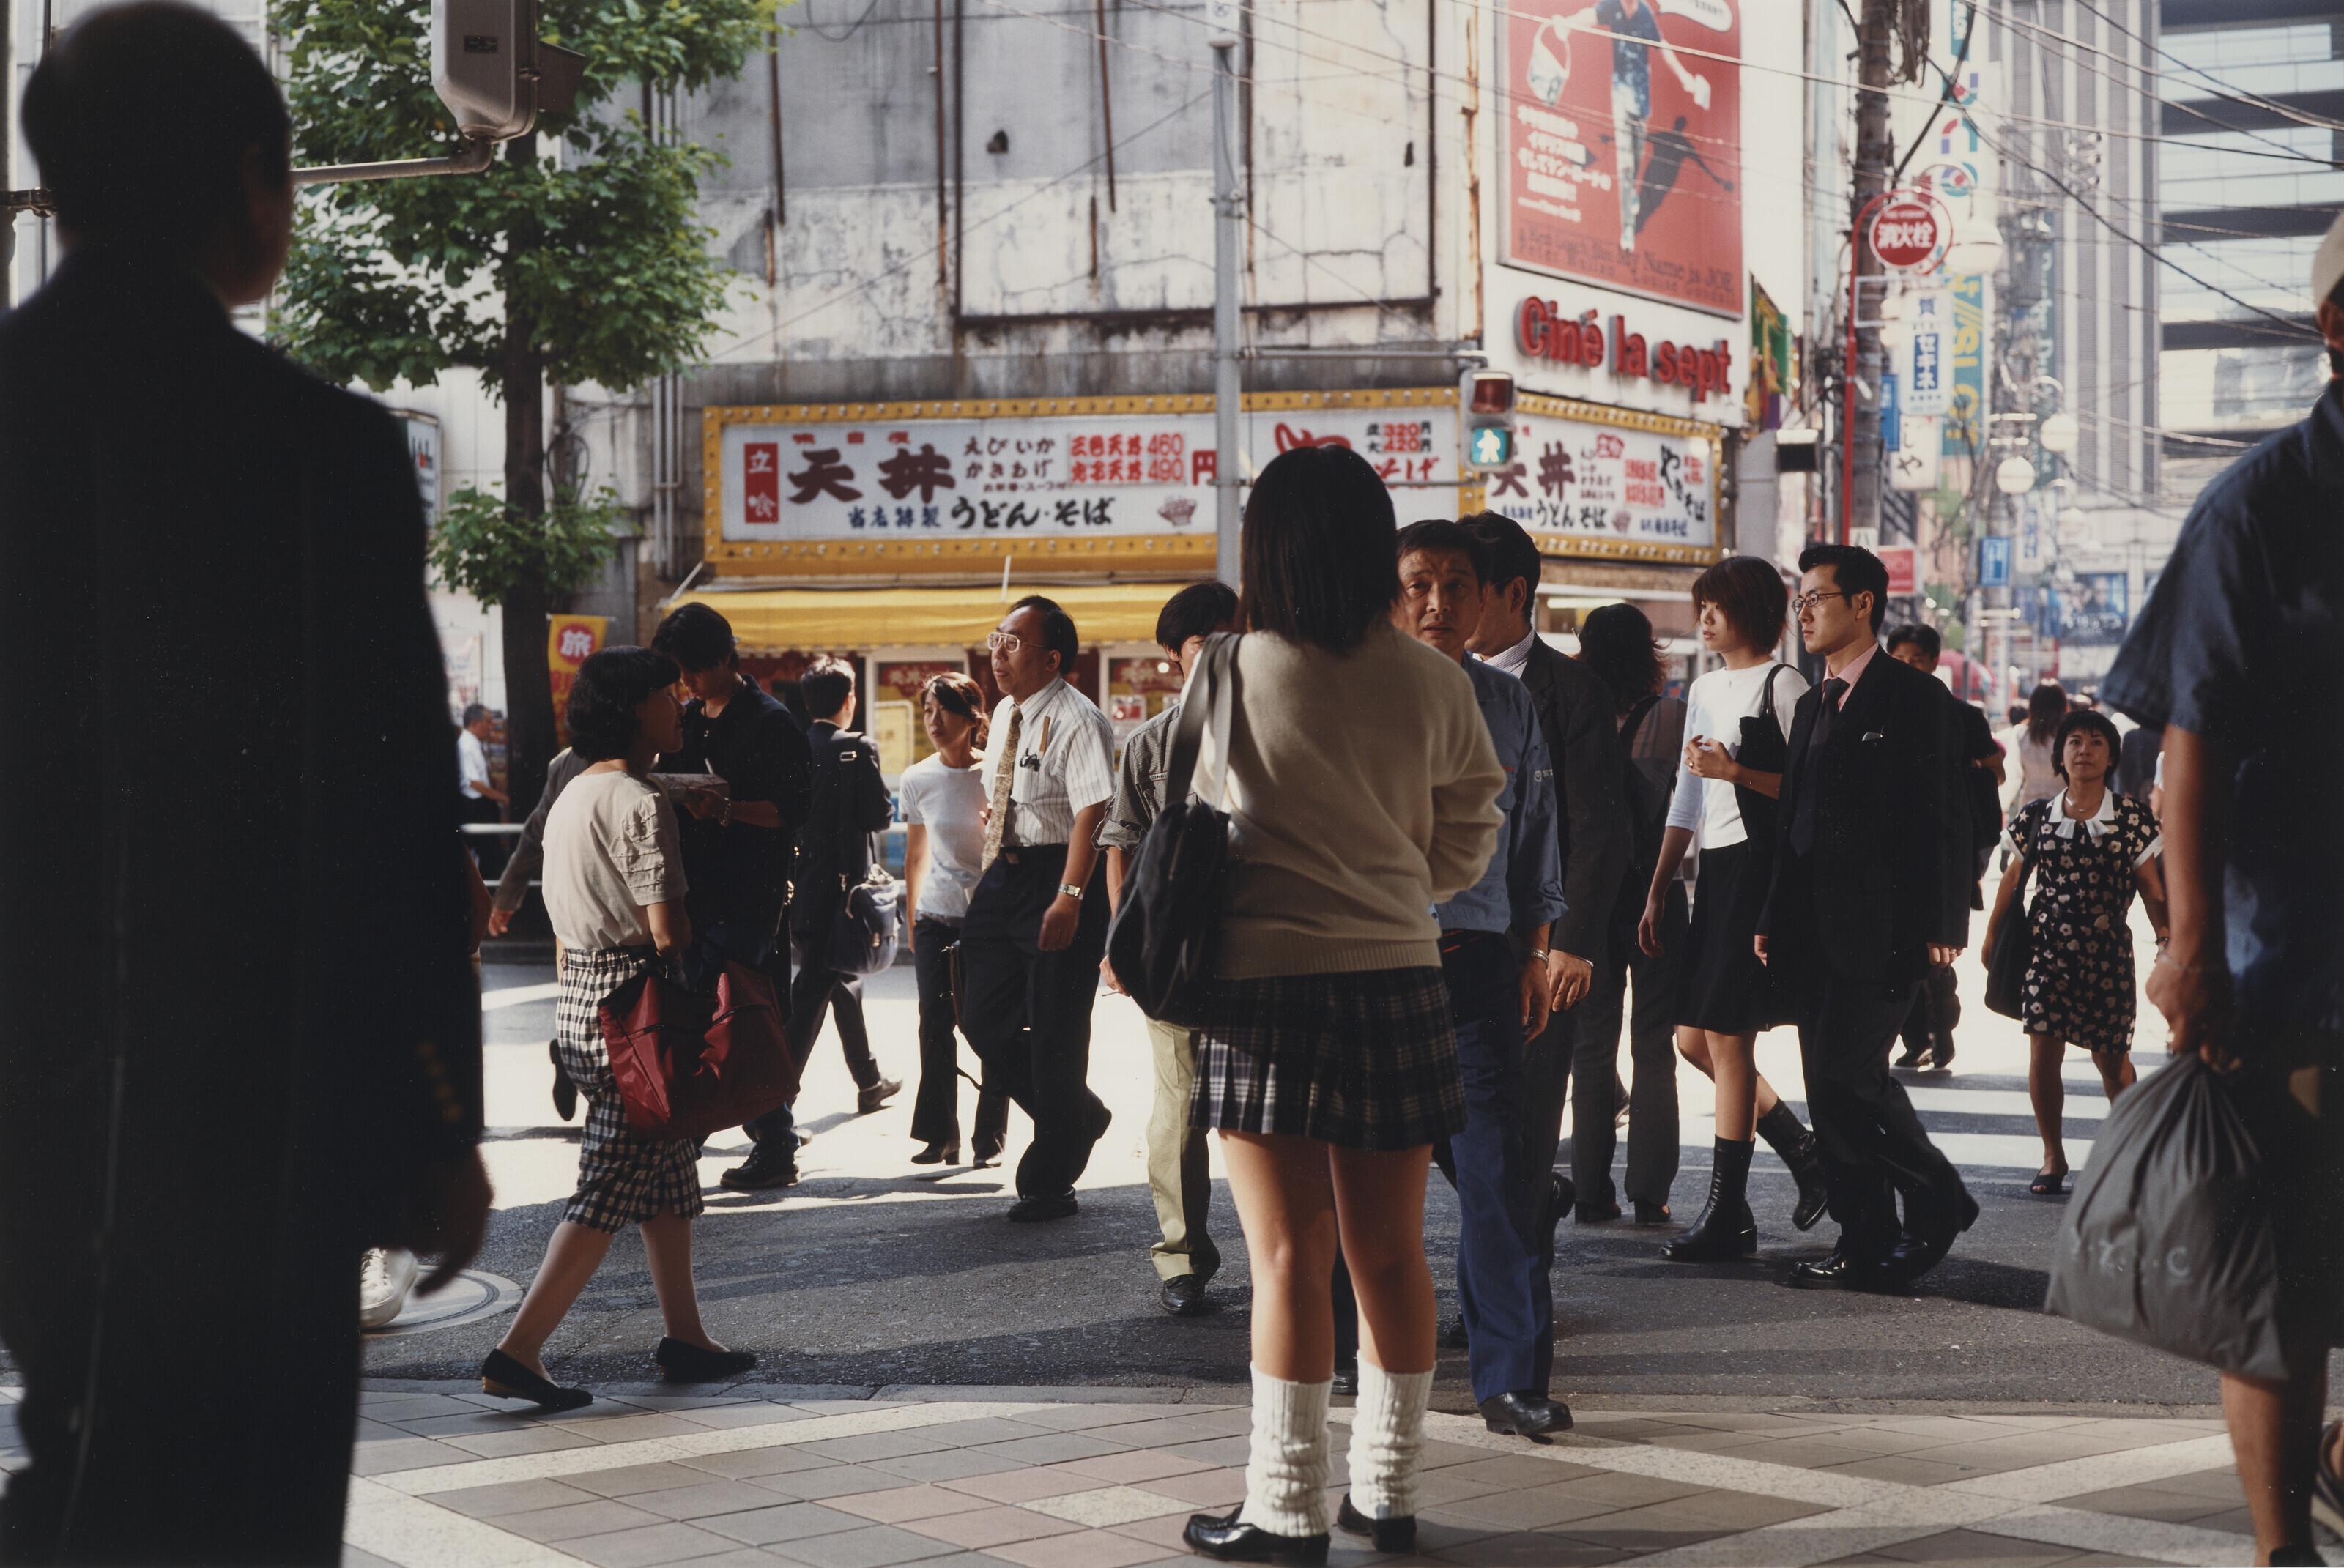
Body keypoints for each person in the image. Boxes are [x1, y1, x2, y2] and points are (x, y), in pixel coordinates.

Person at [0, 9, 488, 1556]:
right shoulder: (319, 453)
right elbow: (396, 816)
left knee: (81, 1445)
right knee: (253, 1493)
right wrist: (434, 1116)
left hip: (27, 1085)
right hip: (264, 1104)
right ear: (247, 180)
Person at [1179, 447, 1502, 1564]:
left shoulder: (1225, 669)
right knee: (1392, 1254)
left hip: (1262, 988)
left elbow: (1191, 815)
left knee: (1286, 1257)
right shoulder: (1433, 677)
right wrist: (1402, 885)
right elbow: (1471, 828)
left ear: (1266, 547)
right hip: (1400, 977)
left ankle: (1284, 1511)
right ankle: (1388, 1495)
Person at [2100, 224, 2343, 1567]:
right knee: (2284, 1284)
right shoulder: (2259, 506)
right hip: (2292, 963)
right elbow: (2187, 744)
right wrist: (2191, 947)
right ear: (2336, 328)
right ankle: (2281, 1551)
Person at [483, 647, 756, 1409]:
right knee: (603, 1192)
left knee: (666, 1181)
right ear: (636, 710)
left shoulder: (575, 789)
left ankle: (686, 1337)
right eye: (670, 696)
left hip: (583, 1001)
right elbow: (666, 929)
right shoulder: (641, 803)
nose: (684, 706)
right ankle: (517, 1350)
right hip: (636, 1013)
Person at [1758, 544, 1976, 1290]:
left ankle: (1936, 1192)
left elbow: (1946, 817)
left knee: (1850, 1078)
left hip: (1885, 928)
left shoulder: (1914, 698)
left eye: (1817, 597)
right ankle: (1864, 1239)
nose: (1804, 611)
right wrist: (1769, 915)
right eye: (1799, 599)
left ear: (1862, 605)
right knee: (1827, 1087)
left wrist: (1945, 918)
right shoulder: (1814, 702)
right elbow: (1794, 819)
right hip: (1810, 928)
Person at [1393, 519, 1570, 1442]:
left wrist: (1537, 952)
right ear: (1391, 594)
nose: (1436, 602)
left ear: (1484, 597)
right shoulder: (1356, 692)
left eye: (1455, 585)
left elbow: (1538, 834)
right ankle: (1348, 1354)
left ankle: (1509, 1379)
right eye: (1417, 583)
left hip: (1477, 965)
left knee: (1502, 1177)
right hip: (1372, 967)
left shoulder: (1508, 704)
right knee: (1361, 1177)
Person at [1636, 557, 1828, 1260]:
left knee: (1727, 1038)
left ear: (1751, 609)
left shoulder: (1787, 684)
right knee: (1693, 1039)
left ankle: (1728, 1211)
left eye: (1716, 607)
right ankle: (1803, 1151)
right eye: (1701, 607)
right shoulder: (1706, 688)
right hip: (1710, 871)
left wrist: (1737, 771)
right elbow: (1687, 796)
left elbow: (1810, 792)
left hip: (1756, 868)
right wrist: (1658, 888)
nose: (1704, 620)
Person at [1458, 512, 1631, 1242]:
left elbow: (1596, 828)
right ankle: (1529, 1212)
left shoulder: (1571, 692)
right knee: (1460, 1133)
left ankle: (1510, 1293)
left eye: (1462, 587)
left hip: (1533, 945)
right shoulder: (1417, 681)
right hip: (1440, 942)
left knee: (1525, 1120)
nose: (1440, 606)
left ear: (1511, 593)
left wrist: (1571, 942)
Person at [1099, 581, 1242, 1315]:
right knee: (1178, 1103)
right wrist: (1122, 942)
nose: (1224, 655)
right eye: (1205, 643)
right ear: (1173, 655)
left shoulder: (1272, 726)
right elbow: (1120, 839)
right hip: (1177, 954)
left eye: (1235, 638)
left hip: (1262, 945)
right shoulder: (1151, 742)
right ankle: (1182, 1257)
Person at [960, 597, 1119, 1222]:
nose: (999, 652)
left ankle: (1051, 1177)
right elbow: (1008, 790)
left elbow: (1093, 811)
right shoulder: (1004, 712)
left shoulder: (1081, 719)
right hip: (1005, 875)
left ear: (1051, 658)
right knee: (979, 1018)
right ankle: (1080, 1115)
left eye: (1015, 642)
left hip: (1059, 876)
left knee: (1056, 1034)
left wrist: (1072, 897)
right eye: (997, 637)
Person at [650, 605, 817, 1191]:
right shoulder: (689, 718)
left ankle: (762, 1141)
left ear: (725, 657)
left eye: (694, 670)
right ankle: (752, 1138)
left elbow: (795, 810)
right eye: (680, 675)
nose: (687, 684)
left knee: (736, 1012)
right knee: (706, 1011)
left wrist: (727, 809)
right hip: (694, 889)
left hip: (751, 894)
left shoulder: (770, 721)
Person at [1981, 710, 2167, 1196]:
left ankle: (2128, 1155)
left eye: (2096, 742)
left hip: (2108, 954)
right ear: (2061, 755)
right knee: (2044, 1049)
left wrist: (2168, 939)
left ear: (2110, 756)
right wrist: (1993, 936)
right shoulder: (2038, 815)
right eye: (2075, 742)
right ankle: (2052, 1155)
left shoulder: (2131, 817)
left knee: (2113, 1061)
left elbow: (2151, 889)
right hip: (2048, 951)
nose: (2084, 750)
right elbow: (2011, 881)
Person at [1570, 603, 1685, 1224]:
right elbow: (1673, 802)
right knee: (1653, 1043)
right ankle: (1651, 1190)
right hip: (1653, 889)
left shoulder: (1570, 710)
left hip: (1589, 893)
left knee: (1591, 1045)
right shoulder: (1668, 714)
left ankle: (1590, 1191)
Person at [1884, 623, 2006, 1072]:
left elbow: (1996, 773)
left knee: (1932, 950)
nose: (1907, 666)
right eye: (1898, 658)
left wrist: (1961, 777)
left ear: (1935, 662)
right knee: (1900, 950)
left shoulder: (1962, 715)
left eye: (1916, 658)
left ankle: (1940, 1035)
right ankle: (1916, 1039)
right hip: (1894, 847)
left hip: (1946, 846)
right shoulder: (1880, 709)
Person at [902, 671, 1009, 1167]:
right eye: (928, 710)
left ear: (973, 718)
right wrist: (912, 917)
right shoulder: (917, 777)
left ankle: (989, 1138)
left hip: (988, 918)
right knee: (934, 1024)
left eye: (944, 710)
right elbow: (916, 855)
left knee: (990, 1026)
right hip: (935, 916)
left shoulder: (996, 774)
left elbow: (1011, 848)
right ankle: (940, 1133)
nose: (934, 720)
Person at [491, 746, 593, 1120]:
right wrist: (507, 894)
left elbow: (536, 831)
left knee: (588, 1006)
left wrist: (507, 894)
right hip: (578, 909)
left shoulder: (567, 761)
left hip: (579, 905)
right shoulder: (568, 762)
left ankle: (571, 1058)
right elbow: (537, 830)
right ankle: (570, 1058)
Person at [459, 702, 512, 874]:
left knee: (490, 857)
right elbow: (474, 782)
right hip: (475, 806)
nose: (491, 727)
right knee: (493, 856)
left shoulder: (473, 743)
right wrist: (502, 798)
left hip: (481, 806)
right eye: (488, 722)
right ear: (475, 723)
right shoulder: (467, 746)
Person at [2000, 681, 2066, 817]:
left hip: (2031, 812)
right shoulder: (2070, 734)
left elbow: (2012, 777)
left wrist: (2002, 806)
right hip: (2065, 810)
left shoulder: (2021, 734)